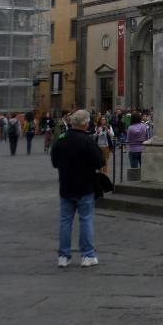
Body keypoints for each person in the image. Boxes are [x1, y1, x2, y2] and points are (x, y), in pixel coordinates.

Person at [50, 109, 104, 268]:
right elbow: (99, 162)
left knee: (65, 222)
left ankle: (63, 256)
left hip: (66, 186)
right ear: (86, 123)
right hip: (85, 186)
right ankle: (87, 256)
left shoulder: (61, 139)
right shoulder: (87, 141)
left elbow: (54, 162)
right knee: (86, 220)